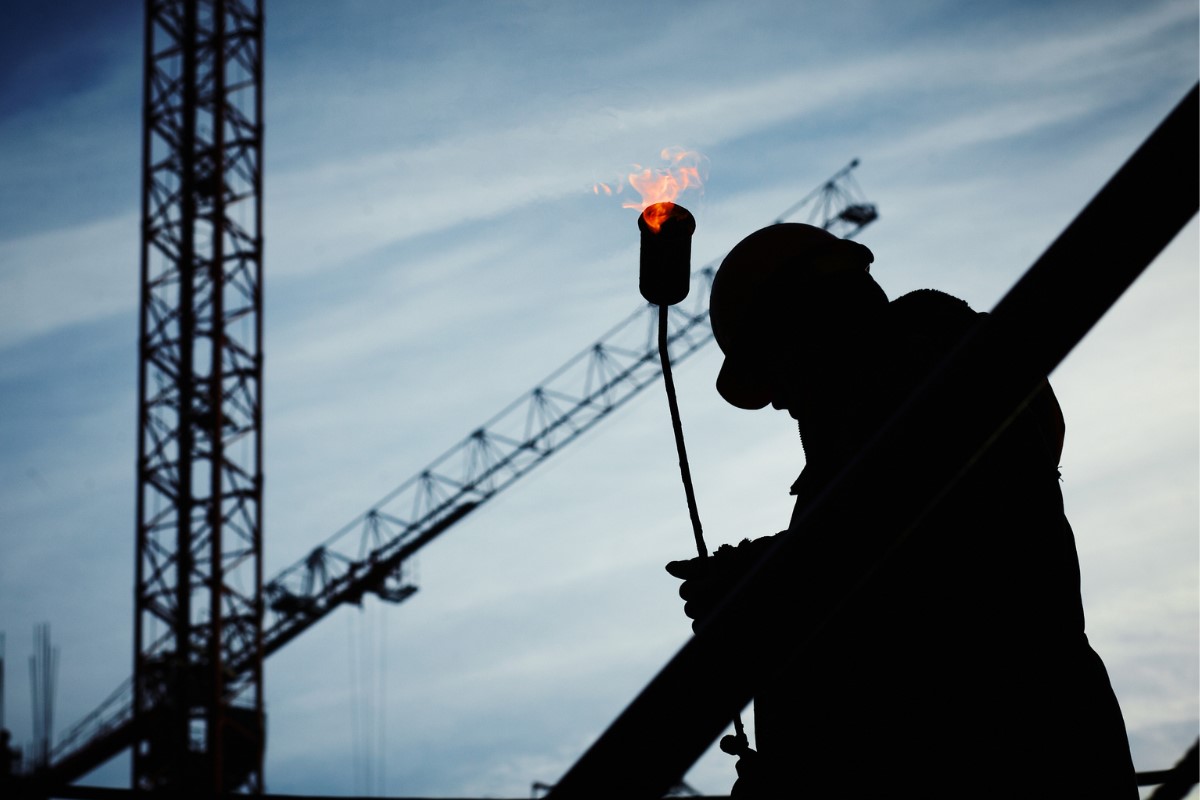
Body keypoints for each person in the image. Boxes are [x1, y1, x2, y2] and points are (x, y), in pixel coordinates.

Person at [666, 223, 1137, 797]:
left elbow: (917, 585)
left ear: (807, 321)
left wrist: (761, 586)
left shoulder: (942, 381)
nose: (780, 400)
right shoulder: (896, 423)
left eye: (774, 368)